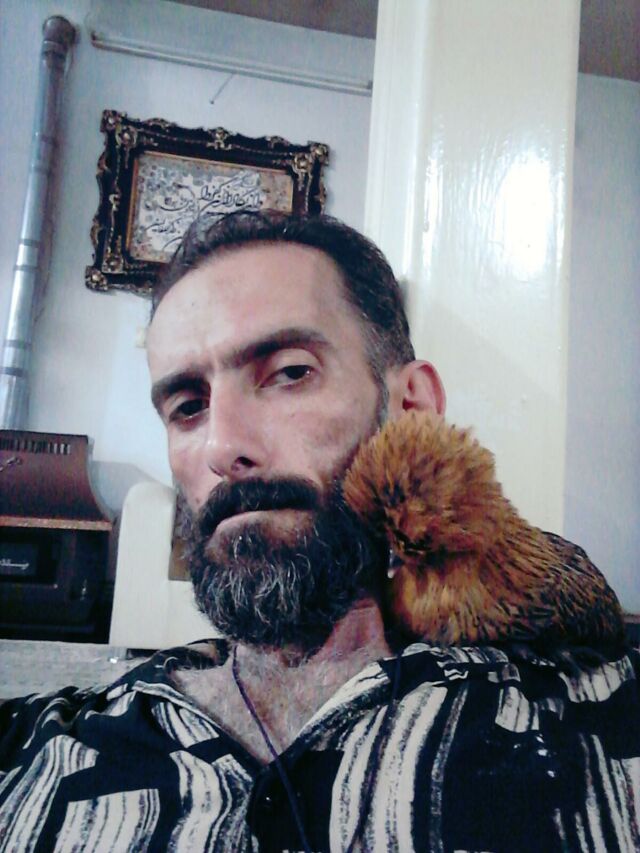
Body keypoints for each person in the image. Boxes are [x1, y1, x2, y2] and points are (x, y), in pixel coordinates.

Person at [0, 211, 638, 852]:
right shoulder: (34, 749)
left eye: (289, 372)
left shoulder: (601, 721)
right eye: (188, 407)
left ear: (412, 405)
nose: (222, 446)